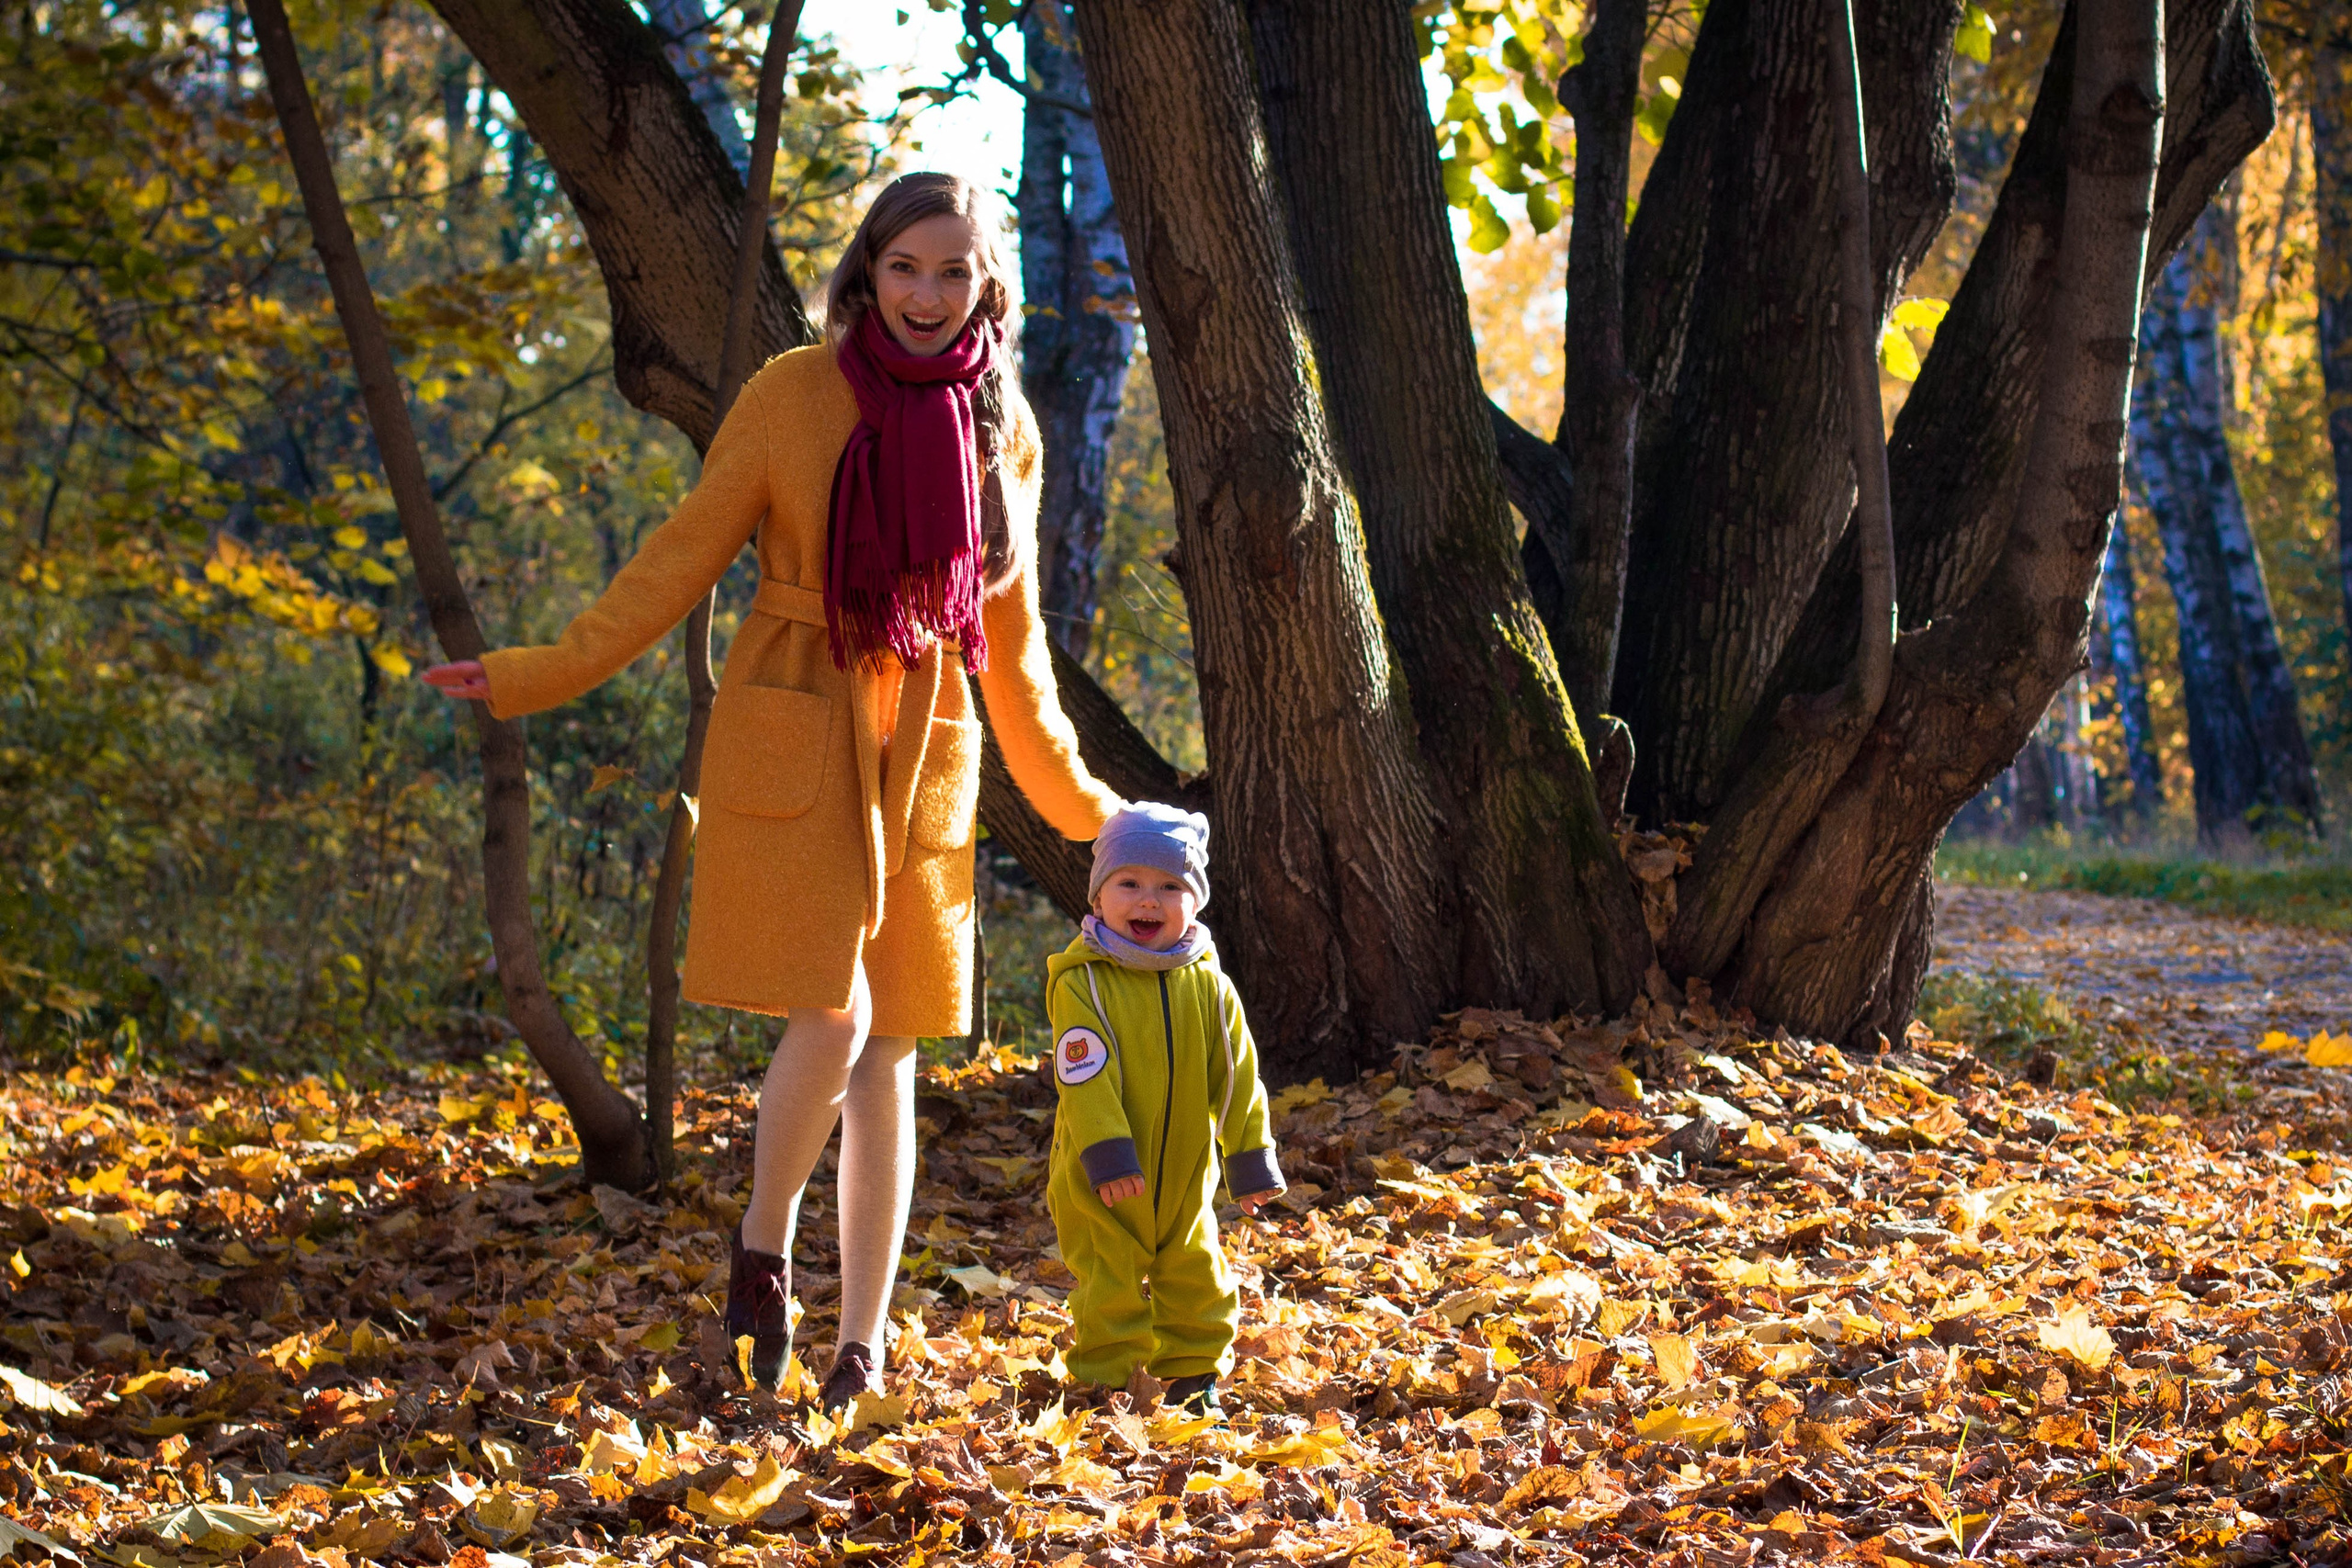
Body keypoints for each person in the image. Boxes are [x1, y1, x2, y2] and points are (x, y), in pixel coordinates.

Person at [421, 173, 1122, 1411]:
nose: (924, 294)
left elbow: (1013, 652)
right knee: (837, 1013)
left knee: (890, 1051)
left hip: (928, 737)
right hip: (799, 717)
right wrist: (539, 670)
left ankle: (863, 1343)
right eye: (904, 266)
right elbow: (681, 554)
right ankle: (761, 1244)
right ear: (867, 267)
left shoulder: (1003, 423)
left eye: (952, 272)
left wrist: (1089, 809)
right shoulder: (793, 392)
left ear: (987, 287)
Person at [1043, 803, 1283, 1411]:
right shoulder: (1083, 982)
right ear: (1099, 897)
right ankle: (1108, 1380)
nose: (1148, 900)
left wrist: (1248, 1155)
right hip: (1101, 1174)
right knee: (1110, 1275)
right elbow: (1085, 1075)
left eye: (1169, 886)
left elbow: (1235, 1074)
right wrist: (1106, 1151)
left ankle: (1194, 1374)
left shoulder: (1207, 982)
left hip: (1182, 1174)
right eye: (1130, 883)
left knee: (1194, 1268)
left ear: (1194, 901)